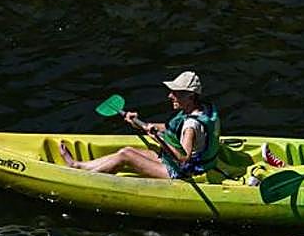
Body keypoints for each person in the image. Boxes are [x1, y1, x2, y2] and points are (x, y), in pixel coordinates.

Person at [58, 71, 221, 180]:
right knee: (126, 151)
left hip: (181, 172)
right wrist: (144, 124)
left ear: (191, 96)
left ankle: (84, 180)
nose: (170, 95)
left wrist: (158, 139)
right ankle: (77, 165)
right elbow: (172, 128)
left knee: (125, 157)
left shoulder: (191, 127)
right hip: (184, 161)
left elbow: (183, 158)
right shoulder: (202, 109)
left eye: (176, 93)